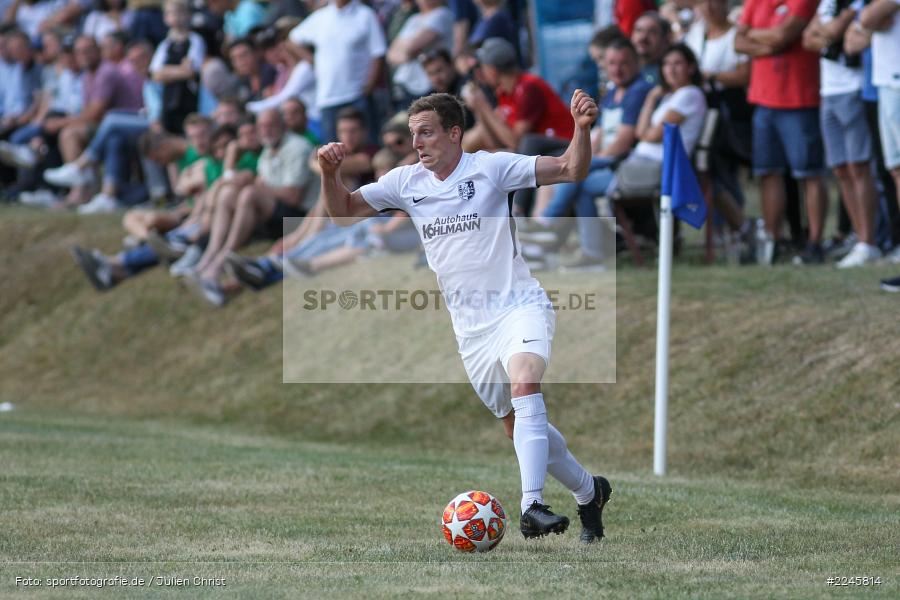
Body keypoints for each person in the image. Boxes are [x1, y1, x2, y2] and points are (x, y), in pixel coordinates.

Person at [315, 91, 613, 544]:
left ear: (455, 133)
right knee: (520, 426)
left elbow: (572, 168)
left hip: (518, 305)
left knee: (525, 382)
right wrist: (328, 173)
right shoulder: (404, 182)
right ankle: (590, 492)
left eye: (428, 131)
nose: (418, 142)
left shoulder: (490, 168)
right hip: (471, 331)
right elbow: (342, 213)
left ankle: (531, 504)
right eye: (414, 134)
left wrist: (582, 128)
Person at [736, 0, 828, 265]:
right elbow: (738, 42)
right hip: (764, 101)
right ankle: (773, 241)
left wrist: (756, 34)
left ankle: (814, 242)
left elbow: (783, 35)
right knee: (768, 172)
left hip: (799, 99)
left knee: (809, 173)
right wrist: (770, 42)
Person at [803, 0, 880, 267]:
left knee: (858, 167)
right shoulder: (827, 3)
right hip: (829, 92)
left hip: (853, 89)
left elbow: (834, 34)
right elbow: (807, 39)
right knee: (841, 170)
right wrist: (829, 33)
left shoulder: (856, 2)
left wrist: (827, 32)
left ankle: (869, 241)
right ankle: (860, 238)